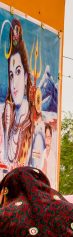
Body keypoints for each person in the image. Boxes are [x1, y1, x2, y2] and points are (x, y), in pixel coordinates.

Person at [2, 20, 46, 170]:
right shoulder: (7, 118)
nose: (14, 83)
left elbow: (36, 177)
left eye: (18, 71)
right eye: (11, 74)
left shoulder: (36, 127)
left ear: (27, 77)